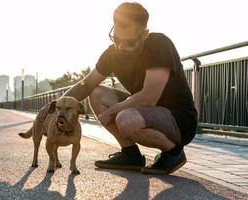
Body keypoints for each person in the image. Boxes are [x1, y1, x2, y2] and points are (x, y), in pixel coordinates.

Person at [40, 2, 197, 175]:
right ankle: (130, 154)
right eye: (116, 39)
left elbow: (149, 97)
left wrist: (112, 111)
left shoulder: (159, 44)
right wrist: (51, 107)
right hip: (147, 112)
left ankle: (173, 153)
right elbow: (86, 84)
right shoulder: (112, 54)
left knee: (125, 119)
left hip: (179, 121)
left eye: (129, 42)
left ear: (145, 34)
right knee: (97, 93)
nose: (121, 47)